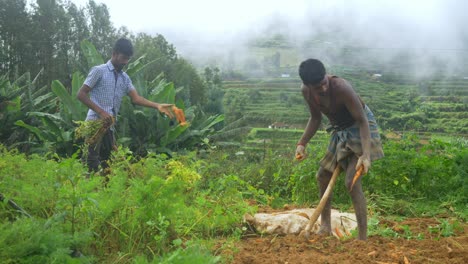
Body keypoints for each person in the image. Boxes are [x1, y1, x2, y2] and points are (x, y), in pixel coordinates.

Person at [295, 59, 384, 240]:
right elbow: (315, 118)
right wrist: (302, 143)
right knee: (322, 176)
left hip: (361, 128)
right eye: (318, 87)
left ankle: (362, 238)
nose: (323, 89)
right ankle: (325, 227)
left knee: (351, 180)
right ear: (308, 86)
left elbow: (362, 121)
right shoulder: (307, 92)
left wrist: (365, 156)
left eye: (324, 83)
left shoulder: (342, 87)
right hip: (340, 131)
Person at [77, 38, 174, 173]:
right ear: (114, 53)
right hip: (94, 123)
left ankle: (105, 191)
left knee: (108, 162)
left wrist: (157, 105)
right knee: (91, 161)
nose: (125, 62)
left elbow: (136, 98)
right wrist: (101, 112)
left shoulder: (125, 78)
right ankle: (87, 190)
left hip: (109, 127)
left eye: (128, 59)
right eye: (123, 58)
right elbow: (81, 94)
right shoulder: (99, 71)